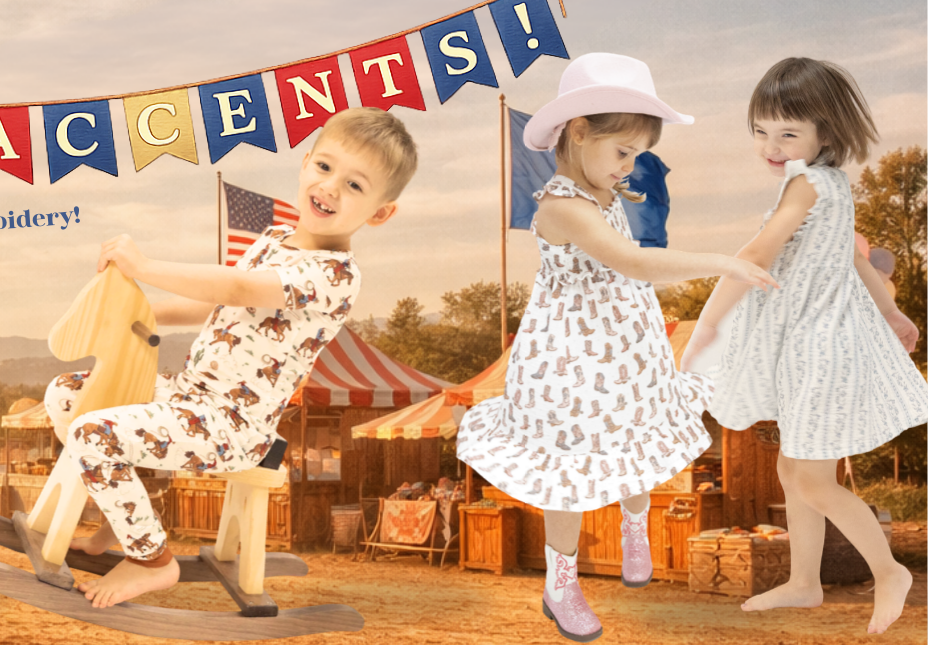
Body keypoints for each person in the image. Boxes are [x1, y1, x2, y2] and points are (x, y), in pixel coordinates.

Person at [455, 53, 777, 642]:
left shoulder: (607, 193)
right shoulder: (559, 206)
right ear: (579, 132)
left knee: (637, 435)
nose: (629, 166)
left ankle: (634, 525)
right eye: (622, 152)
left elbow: (628, 263)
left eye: (635, 155)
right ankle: (562, 580)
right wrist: (721, 261)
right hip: (569, 361)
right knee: (571, 468)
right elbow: (631, 260)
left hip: (625, 346)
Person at [48, 106, 419, 608]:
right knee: (69, 395)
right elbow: (217, 300)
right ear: (306, 162)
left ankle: (153, 562)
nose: (331, 187)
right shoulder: (272, 241)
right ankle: (123, 525)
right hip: (187, 396)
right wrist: (137, 310)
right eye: (326, 167)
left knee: (95, 435)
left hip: (232, 425)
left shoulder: (335, 278)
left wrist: (147, 266)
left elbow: (240, 285)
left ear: (380, 212)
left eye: (356, 186)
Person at [684, 57, 926, 635]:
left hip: (822, 349)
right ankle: (803, 581)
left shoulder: (806, 184)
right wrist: (892, 310)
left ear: (827, 133)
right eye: (761, 132)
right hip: (809, 347)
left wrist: (709, 322)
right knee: (794, 469)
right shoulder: (832, 184)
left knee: (812, 477)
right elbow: (853, 257)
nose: (772, 145)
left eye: (788, 133)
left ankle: (890, 571)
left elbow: (757, 253)